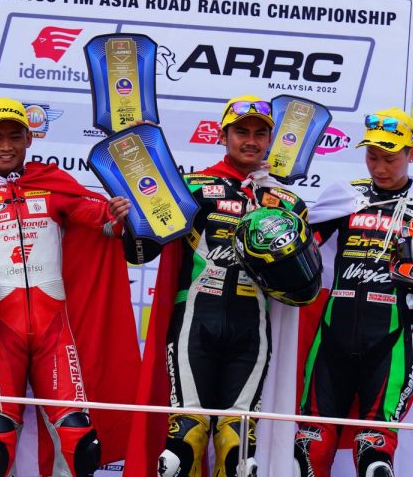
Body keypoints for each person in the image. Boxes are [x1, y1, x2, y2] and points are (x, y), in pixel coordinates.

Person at [0, 97, 141, 477]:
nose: (6, 146)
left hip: (55, 332)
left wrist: (118, 217)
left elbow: (103, 225)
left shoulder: (52, 186)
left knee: (79, 434)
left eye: (15, 137)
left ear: (29, 139)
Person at [120, 95, 311, 477]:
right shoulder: (191, 187)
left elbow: (304, 286)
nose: (250, 140)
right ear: (222, 136)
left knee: (239, 448)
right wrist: (131, 213)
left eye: (260, 133)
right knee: (183, 442)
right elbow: (140, 251)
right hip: (194, 321)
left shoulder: (289, 202)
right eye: (241, 132)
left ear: (270, 140)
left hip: (252, 327)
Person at [292, 107, 413, 477]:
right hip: (332, 336)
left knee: (375, 451)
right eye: (372, 157)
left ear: (412, 154)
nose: (380, 167)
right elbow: (301, 253)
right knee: (309, 447)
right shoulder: (345, 197)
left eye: (390, 158)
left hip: (393, 340)